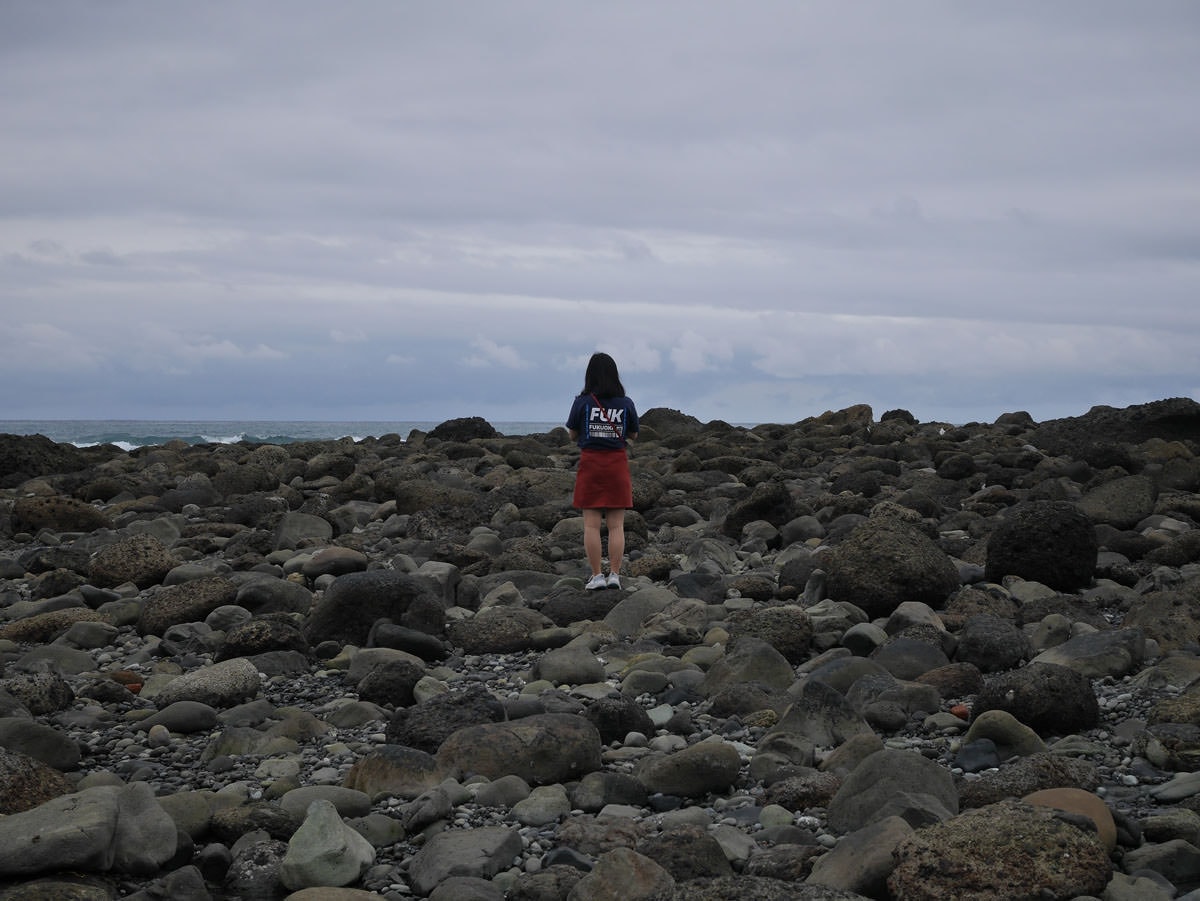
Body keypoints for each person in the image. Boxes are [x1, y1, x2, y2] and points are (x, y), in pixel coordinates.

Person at [566, 352, 639, 590]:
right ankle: (615, 575)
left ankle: (597, 576)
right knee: (617, 525)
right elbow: (633, 434)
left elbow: (573, 433)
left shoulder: (583, 402)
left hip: (591, 464)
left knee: (591, 525)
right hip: (617, 464)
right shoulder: (626, 403)